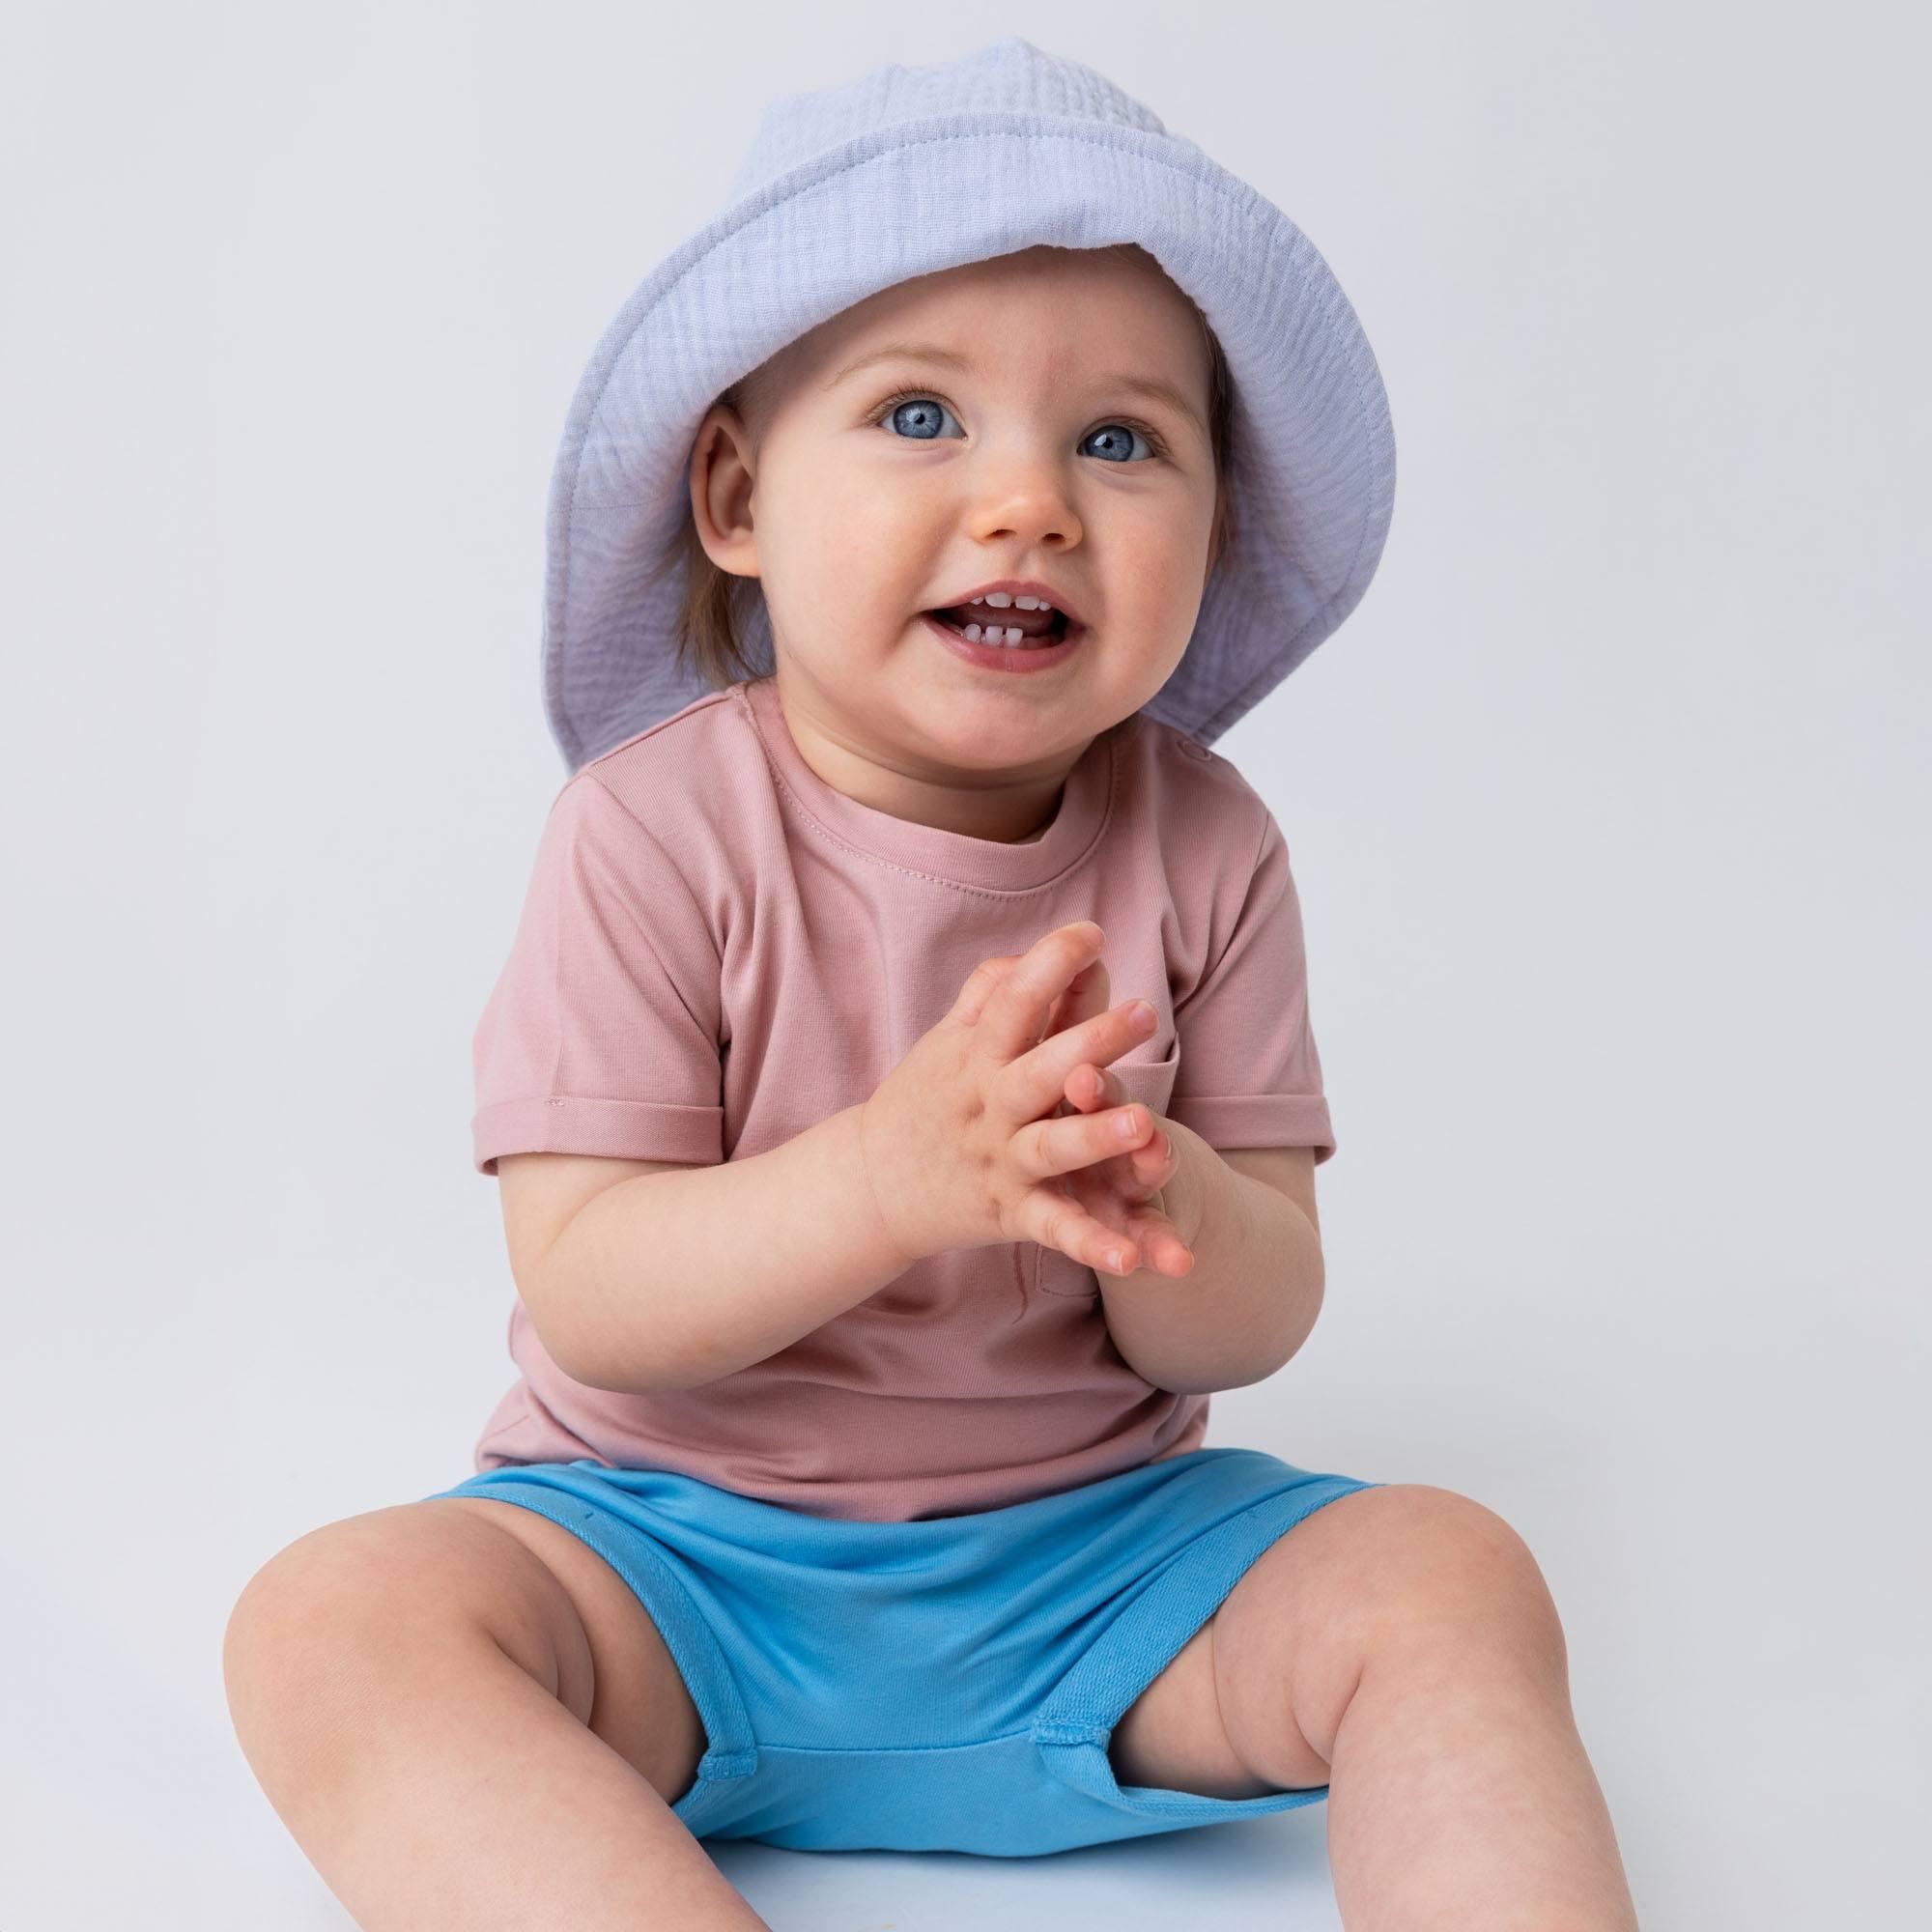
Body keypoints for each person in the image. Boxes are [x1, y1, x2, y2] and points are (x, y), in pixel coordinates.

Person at [222, 37, 1641, 1931]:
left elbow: (1249, 1319)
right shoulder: (652, 835)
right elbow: (595, 1293)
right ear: (732, 494)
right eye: (917, 415)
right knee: (331, 1621)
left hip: (1093, 1581)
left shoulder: (1203, 845)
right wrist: (891, 1176)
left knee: (1447, 1572)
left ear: (1209, 537)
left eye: (1120, 439)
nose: (1030, 503)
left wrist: (1167, 1200)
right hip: (671, 1571)